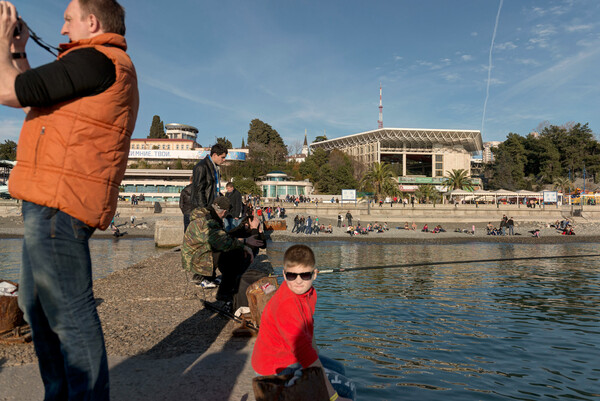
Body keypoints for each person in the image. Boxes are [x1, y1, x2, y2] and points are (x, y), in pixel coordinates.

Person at [1, 0, 139, 399]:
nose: (62, 30)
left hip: (58, 204)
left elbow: (8, 91)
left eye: (67, 19)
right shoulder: (94, 64)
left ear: (91, 21)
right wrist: (18, 50)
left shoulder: (96, 60)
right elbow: (33, 96)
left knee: (70, 315)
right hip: (49, 201)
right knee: (39, 310)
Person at [252, 245, 354, 401]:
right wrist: (332, 397)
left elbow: (308, 327)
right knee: (346, 389)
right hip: (274, 370)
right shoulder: (287, 305)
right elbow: (304, 353)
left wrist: (316, 355)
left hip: (292, 357)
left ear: (314, 274)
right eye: (292, 275)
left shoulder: (310, 293)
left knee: (339, 369)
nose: (298, 281)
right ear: (285, 275)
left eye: (305, 275)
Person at [181, 196, 264, 308]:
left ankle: (219, 281)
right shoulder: (207, 222)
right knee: (234, 255)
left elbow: (223, 236)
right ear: (224, 211)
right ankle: (225, 293)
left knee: (234, 250)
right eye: (226, 213)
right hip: (196, 260)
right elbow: (224, 243)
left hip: (197, 254)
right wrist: (247, 242)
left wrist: (242, 230)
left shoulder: (207, 216)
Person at [191, 143, 228, 209]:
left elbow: (214, 189)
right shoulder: (201, 167)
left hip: (212, 207)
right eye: (222, 157)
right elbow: (198, 191)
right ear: (215, 155)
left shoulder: (215, 168)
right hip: (204, 210)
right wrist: (205, 210)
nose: (224, 160)